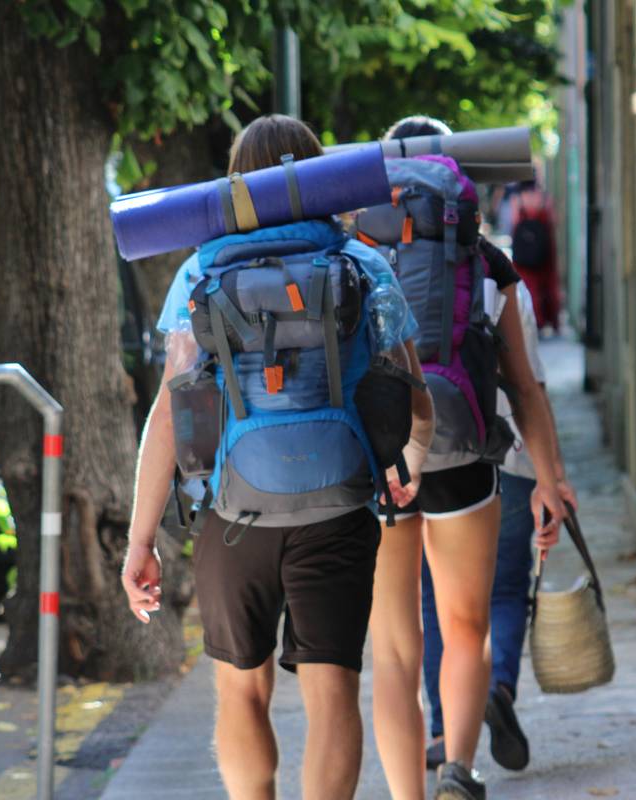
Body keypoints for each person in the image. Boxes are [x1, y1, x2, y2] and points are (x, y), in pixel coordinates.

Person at [120, 114, 433, 800]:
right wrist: (405, 464)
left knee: (239, 691)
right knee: (332, 696)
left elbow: (172, 417)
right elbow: (416, 403)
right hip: (339, 508)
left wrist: (140, 539)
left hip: (235, 514)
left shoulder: (203, 269)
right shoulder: (362, 264)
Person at [363, 115, 568, 800]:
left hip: (382, 463)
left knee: (394, 649)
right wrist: (550, 480)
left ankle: (406, 795)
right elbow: (524, 383)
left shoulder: (357, 253)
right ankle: (458, 769)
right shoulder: (483, 263)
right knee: (466, 625)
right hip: (461, 455)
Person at [422, 280, 578, 773]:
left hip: (418, 459)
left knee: (433, 599)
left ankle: (446, 728)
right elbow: (530, 386)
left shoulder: (378, 259)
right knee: (507, 588)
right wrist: (552, 476)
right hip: (504, 455)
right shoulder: (501, 279)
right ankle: (497, 688)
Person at [507, 177, 562, 334]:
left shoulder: (517, 199)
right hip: (544, 250)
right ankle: (550, 320)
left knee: (528, 285)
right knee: (548, 284)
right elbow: (553, 221)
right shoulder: (545, 199)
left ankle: (533, 320)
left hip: (524, 252)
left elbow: (514, 222)